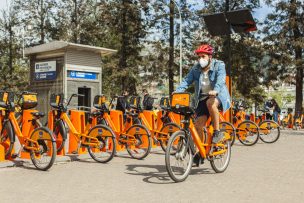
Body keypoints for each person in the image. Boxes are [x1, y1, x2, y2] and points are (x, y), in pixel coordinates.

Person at [175, 44, 231, 166]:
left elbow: (221, 79)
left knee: (210, 102)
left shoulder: (219, 65)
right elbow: (186, 81)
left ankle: (217, 132)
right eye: (199, 57)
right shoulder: (195, 69)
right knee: (198, 125)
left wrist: (215, 90)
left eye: (203, 56)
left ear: (210, 57)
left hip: (219, 96)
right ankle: (201, 151)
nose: (201, 59)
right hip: (202, 98)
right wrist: (177, 92)